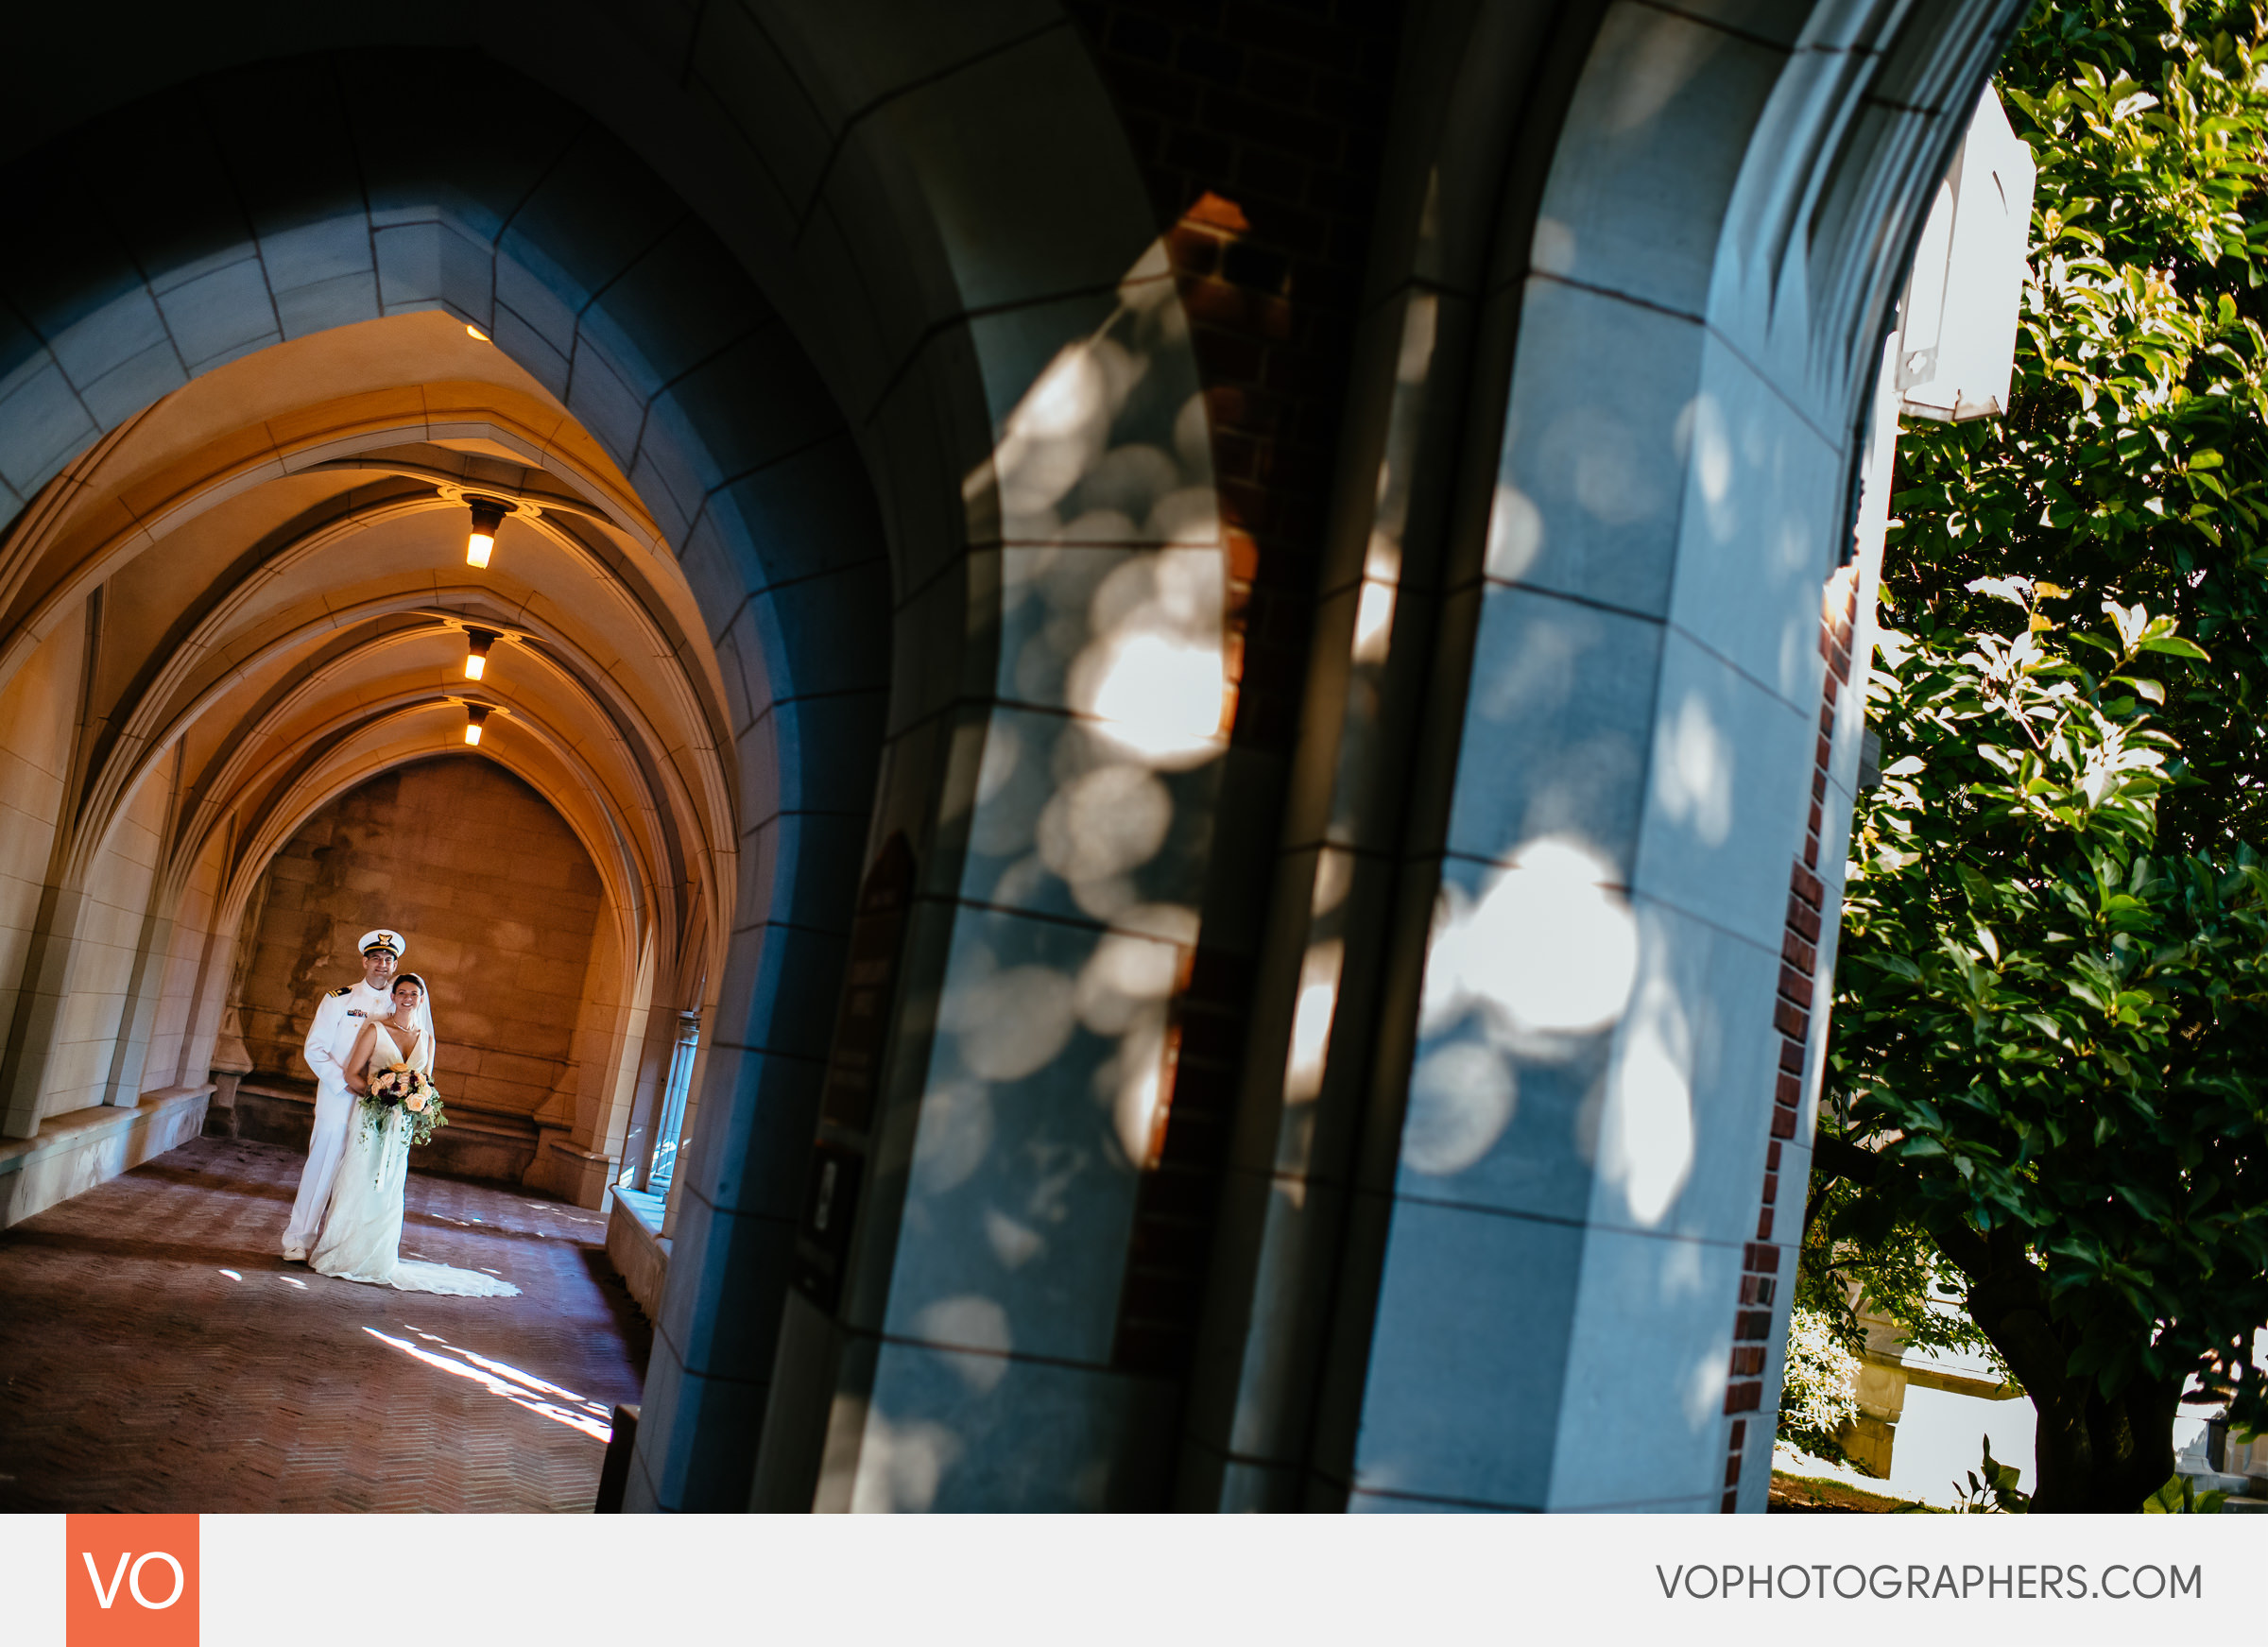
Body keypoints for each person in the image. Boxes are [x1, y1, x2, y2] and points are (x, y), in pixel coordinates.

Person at [308, 970, 519, 1297]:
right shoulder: (376, 1030)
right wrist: (379, 1095)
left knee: (390, 1186)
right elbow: (352, 1073)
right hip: (371, 1117)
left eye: (413, 994)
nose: (407, 998)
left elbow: (426, 1084)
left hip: (401, 1125)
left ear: (421, 999)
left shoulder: (428, 1039)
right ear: (393, 997)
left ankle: (378, 1258)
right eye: (401, 992)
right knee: (359, 1178)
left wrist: (414, 1103)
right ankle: (343, 1252)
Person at [282, 929, 409, 1261]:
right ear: (365, 961)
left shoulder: (400, 1004)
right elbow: (315, 1049)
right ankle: (297, 1239)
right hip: (338, 1098)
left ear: (396, 964)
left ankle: (341, 1246)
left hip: (376, 1105)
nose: (382, 964)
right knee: (322, 1166)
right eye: (377, 958)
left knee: (362, 1174)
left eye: (389, 959)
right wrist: (346, 1084)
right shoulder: (340, 999)